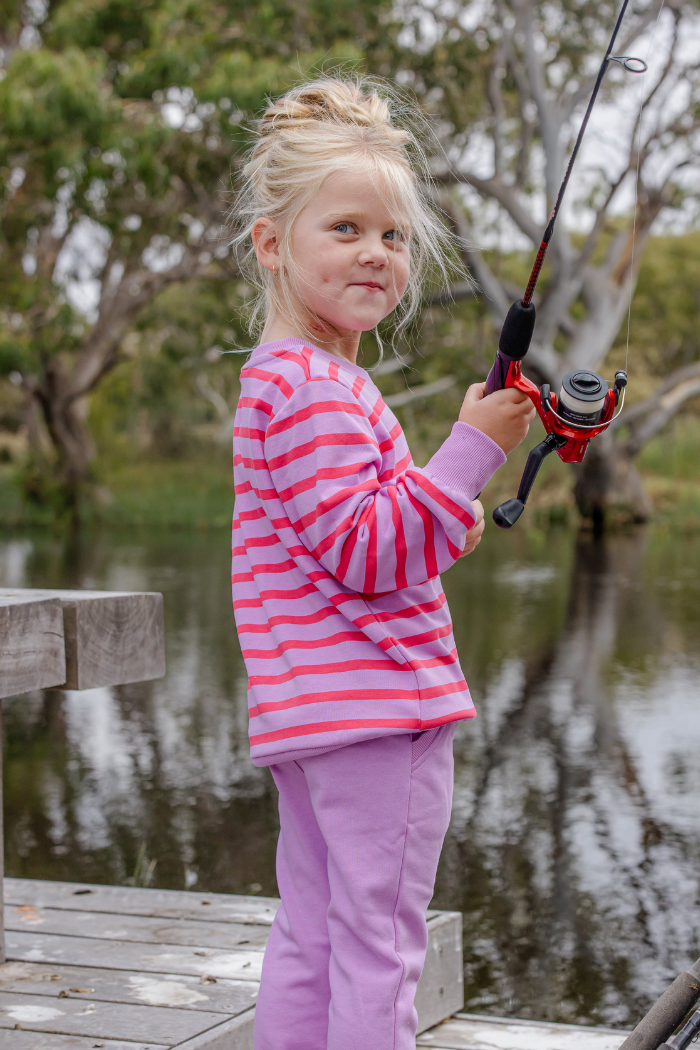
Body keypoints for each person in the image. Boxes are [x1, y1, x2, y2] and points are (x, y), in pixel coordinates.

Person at [230, 75, 535, 1050]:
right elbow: (368, 553)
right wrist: (471, 450)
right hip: (377, 713)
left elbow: (357, 534)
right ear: (273, 245)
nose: (376, 252)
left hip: (312, 715)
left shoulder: (281, 382)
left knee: (314, 933)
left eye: (393, 236)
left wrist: (446, 509)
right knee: (379, 947)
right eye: (346, 229)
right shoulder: (321, 391)